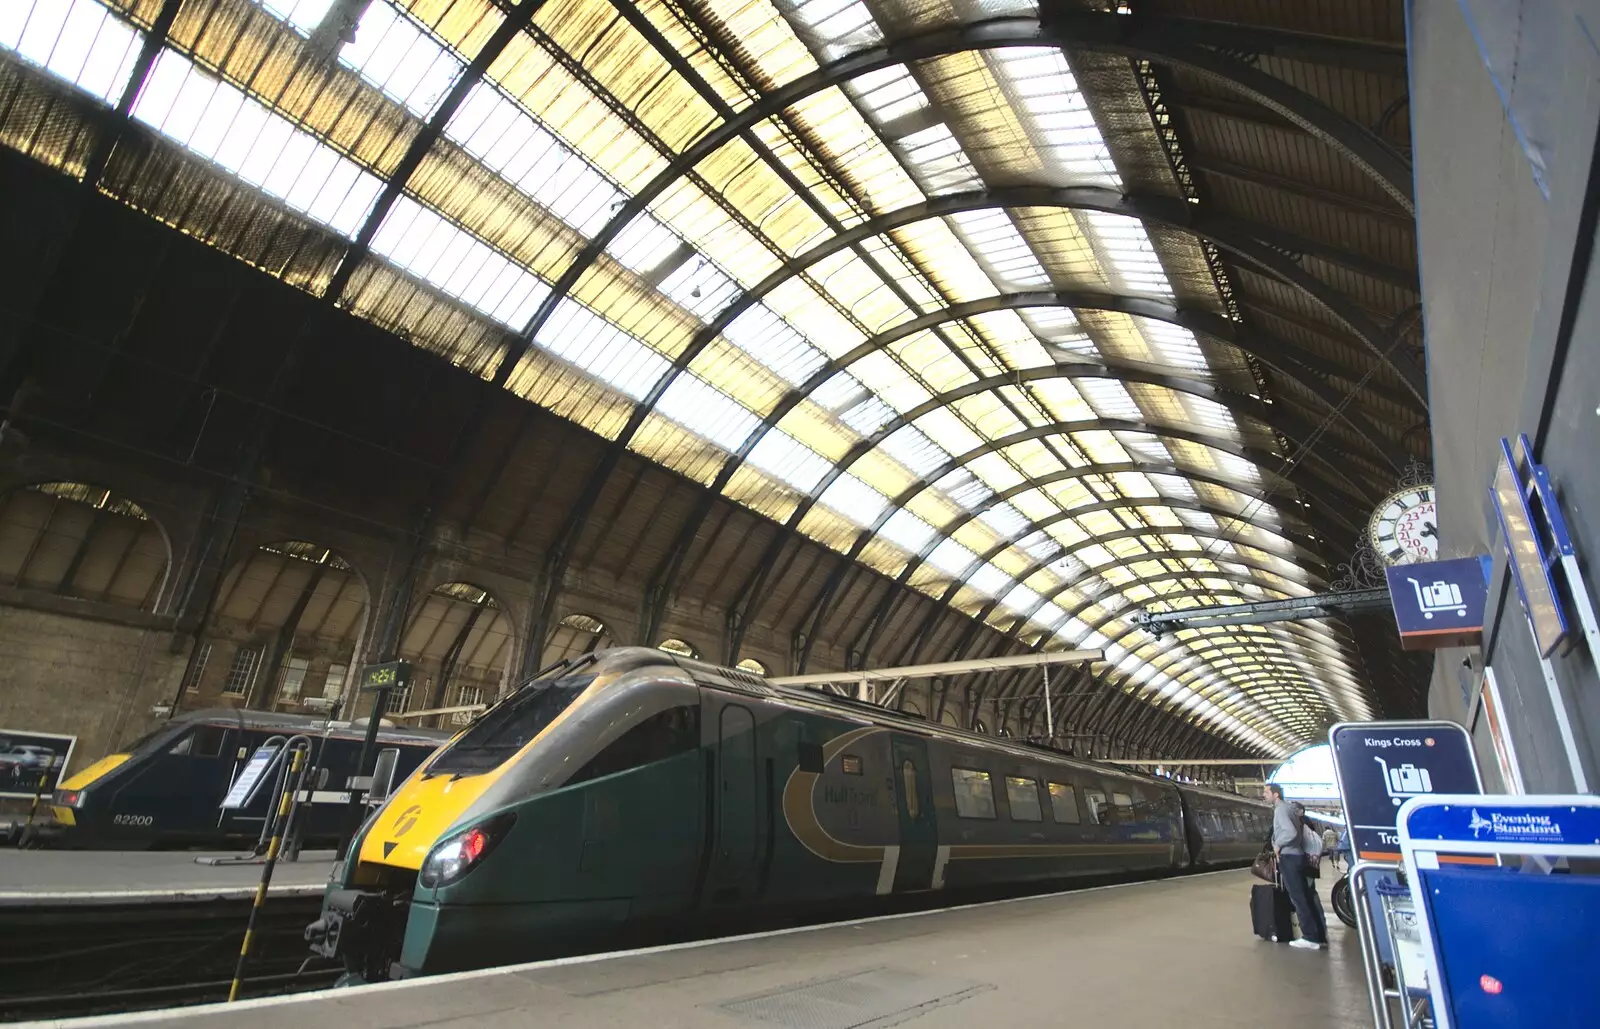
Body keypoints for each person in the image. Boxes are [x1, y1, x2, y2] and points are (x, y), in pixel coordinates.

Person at [1263, 784, 1328, 949]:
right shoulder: (1291, 810)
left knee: (1298, 899)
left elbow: (1290, 833)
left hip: (1289, 857)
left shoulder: (1280, 810)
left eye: (1266, 792)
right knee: (1306, 896)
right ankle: (1318, 935)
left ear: (1276, 794)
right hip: (1298, 856)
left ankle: (1310, 938)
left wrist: (1277, 844)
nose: (1263, 795)